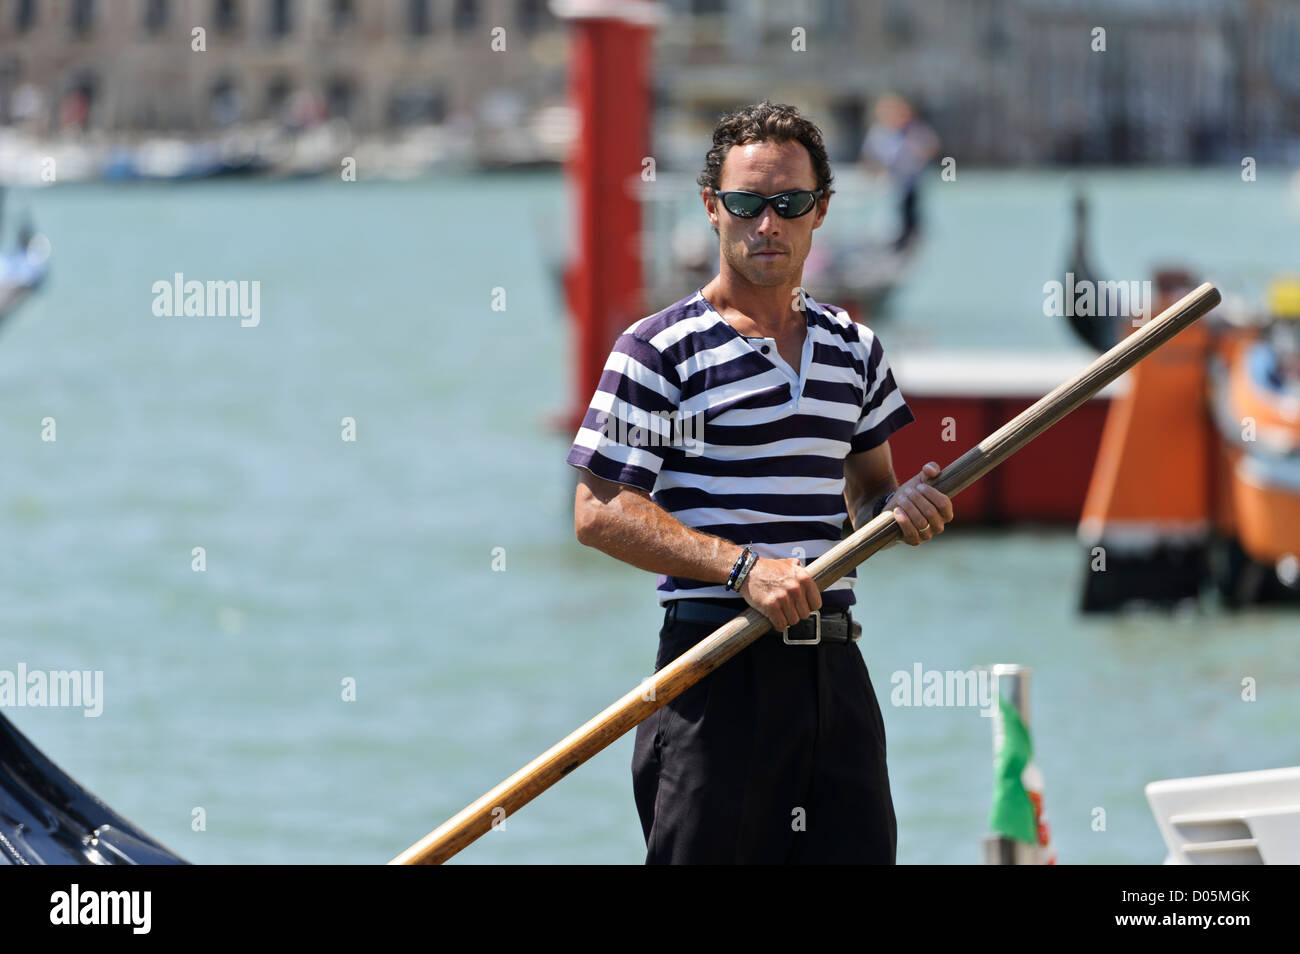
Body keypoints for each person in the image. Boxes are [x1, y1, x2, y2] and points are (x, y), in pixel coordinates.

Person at [566, 101, 953, 864]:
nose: (766, 224)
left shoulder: (856, 350)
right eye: (746, 203)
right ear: (712, 208)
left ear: (821, 212)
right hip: (714, 672)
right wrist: (743, 568)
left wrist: (899, 508)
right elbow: (598, 510)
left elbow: (868, 494)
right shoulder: (656, 352)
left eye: (789, 204)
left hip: (834, 676)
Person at [859, 93, 940, 252]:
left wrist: (918, 156)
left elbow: (931, 146)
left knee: (909, 219)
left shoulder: (914, 130)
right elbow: (869, 159)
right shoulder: (878, 133)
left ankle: (907, 242)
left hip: (910, 186)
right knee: (888, 220)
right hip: (888, 186)